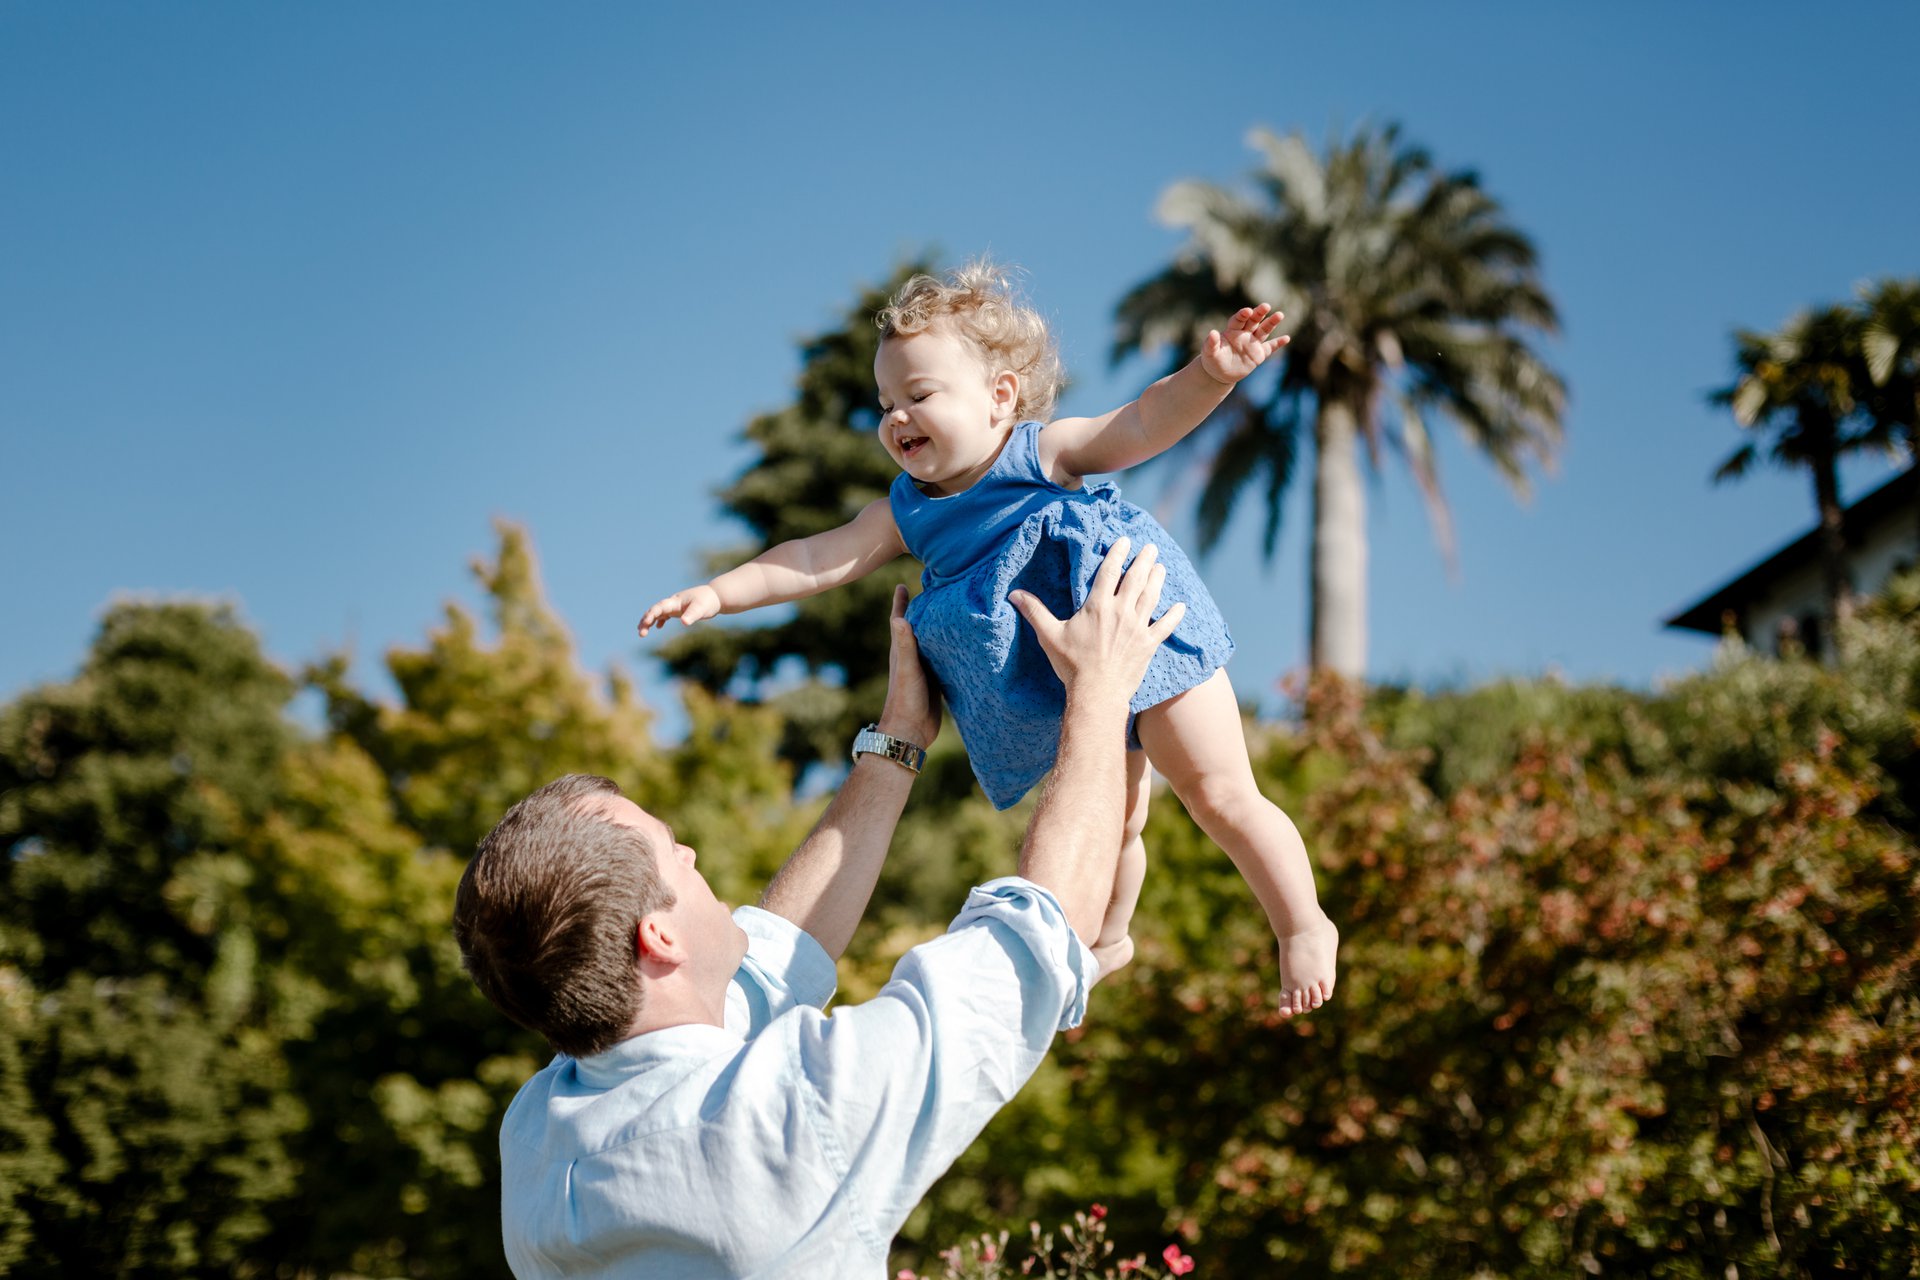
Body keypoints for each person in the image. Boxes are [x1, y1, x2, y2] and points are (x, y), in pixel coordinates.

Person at [456, 544, 1182, 1278]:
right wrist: (1100, 687)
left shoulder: (540, 1139)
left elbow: (769, 964)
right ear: (659, 937)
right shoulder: (794, 1119)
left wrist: (897, 739)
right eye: (670, 851)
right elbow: (1039, 932)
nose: (692, 857)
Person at [640, 262, 1337, 1015]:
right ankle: (1108, 940)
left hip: (1142, 625)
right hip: (1072, 677)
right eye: (885, 403)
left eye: (918, 395)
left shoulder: (1040, 454)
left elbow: (1140, 422)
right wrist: (719, 592)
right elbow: (812, 561)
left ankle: (1302, 923)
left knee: (1217, 792)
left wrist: (1212, 374)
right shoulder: (906, 514)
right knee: (1118, 819)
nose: (896, 417)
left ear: (1000, 396)